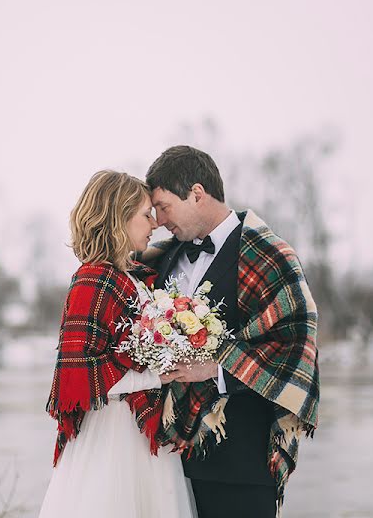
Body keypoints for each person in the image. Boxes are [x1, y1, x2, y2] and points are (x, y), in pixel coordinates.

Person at [141, 145, 320, 518]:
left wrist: (216, 368)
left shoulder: (270, 254)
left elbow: (295, 343)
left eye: (163, 206)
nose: (158, 220)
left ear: (196, 194)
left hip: (243, 460)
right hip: (172, 461)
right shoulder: (166, 256)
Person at [38, 170, 197, 518]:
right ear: (118, 218)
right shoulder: (92, 280)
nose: (153, 223)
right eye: (144, 214)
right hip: (113, 435)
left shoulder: (131, 276)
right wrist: (159, 376)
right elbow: (78, 377)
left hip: (142, 429)